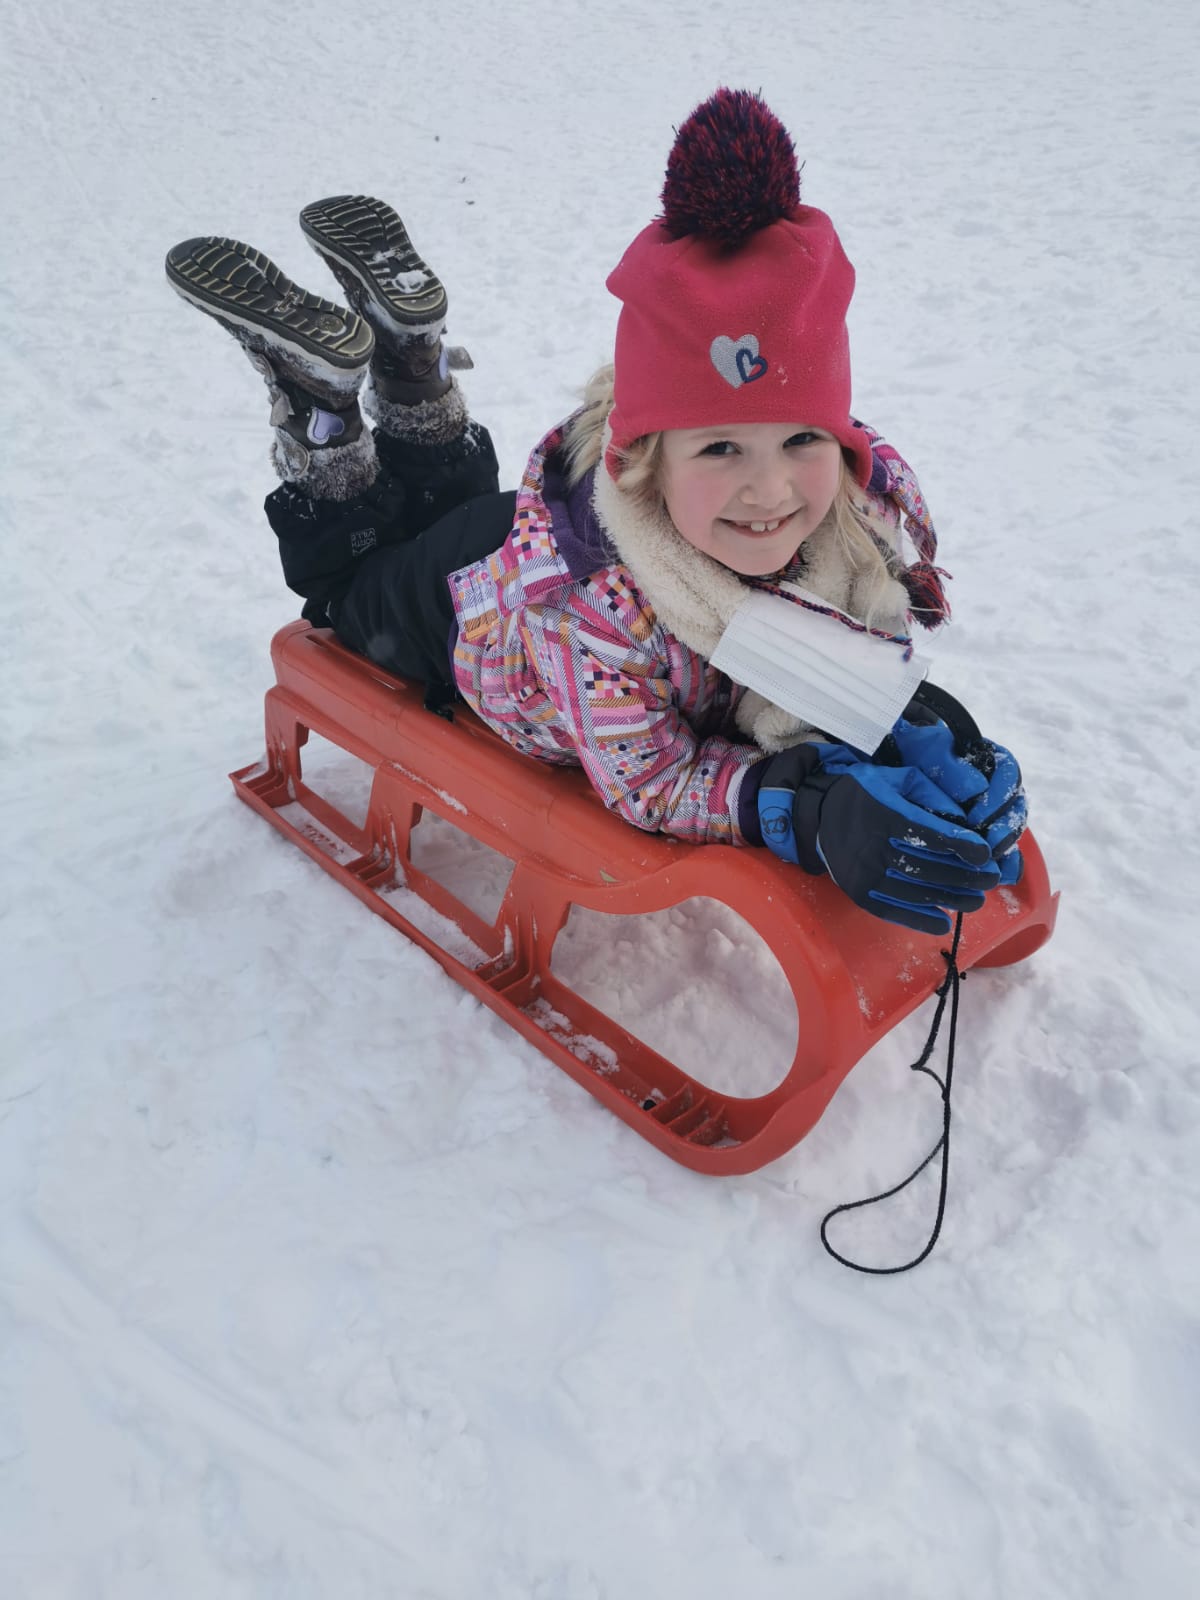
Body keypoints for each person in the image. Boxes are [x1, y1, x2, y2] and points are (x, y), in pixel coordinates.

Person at [166, 88, 1025, 938]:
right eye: (720, 448)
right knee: (349, 584)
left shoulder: (855, 526)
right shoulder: (600, 617)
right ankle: (323, 408)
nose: (770, 489)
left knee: (448, 508)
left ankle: (411, 361)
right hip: (458, 611)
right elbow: (654, 780)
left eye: (800, 438)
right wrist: (799, 812)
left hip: (514, 540)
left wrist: (930, 727)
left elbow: (852, 652)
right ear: (643, 462)